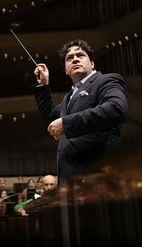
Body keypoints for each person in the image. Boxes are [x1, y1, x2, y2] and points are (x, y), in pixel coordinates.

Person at [32, 39, 128, 185]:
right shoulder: (69, 97)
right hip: (71, 181)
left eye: (80, 55)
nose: (75, 59)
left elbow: (116, 108)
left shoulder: (106, 80)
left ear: (92, 63)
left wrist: (67, 123)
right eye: (69, 58)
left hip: (97, 177)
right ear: (65, 69)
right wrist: (44, 85)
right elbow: (51, 117)